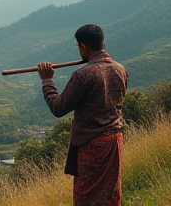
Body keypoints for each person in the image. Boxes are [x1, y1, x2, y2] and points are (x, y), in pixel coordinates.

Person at [37, 24, 128, 206]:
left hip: (92, 146)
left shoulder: (83, 75)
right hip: (114, 141)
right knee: (109, 195)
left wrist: (47, 80)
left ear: (83, 47)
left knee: (87, 197)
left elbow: (58, 108)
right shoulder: (120, 70)